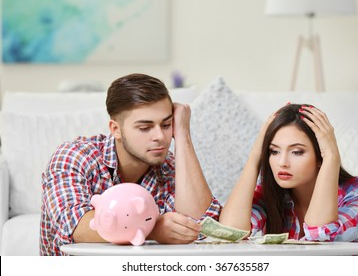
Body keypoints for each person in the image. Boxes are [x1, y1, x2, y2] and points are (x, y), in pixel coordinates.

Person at [40, 73, 222, 255]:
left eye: (166, 125)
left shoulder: (171, 166)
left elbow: (201, 225)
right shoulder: (74, 156)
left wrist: (183, 135)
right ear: (116, 130)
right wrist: (152, 229)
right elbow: (76, 226)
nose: (160, 136)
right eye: (145, 128)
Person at [219, 103, 358, 243]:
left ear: (320, 155)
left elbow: (319, 234)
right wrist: (255, 156)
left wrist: (332, 158)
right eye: (274, 151)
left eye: (297, 152)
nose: (282, 162)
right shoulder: (271, 195)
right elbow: (229, 232)